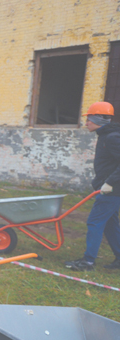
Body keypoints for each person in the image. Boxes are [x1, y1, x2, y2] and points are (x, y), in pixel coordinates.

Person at [64, 101, 120, 271]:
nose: (86, 122)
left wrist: (109, 183)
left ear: (99, 119)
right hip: (107, 188)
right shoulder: (105, 135)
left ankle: (88, 262)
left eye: (89, 119)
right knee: (110, 224)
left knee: (94, 222)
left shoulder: (112, 137)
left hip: (112, 190)